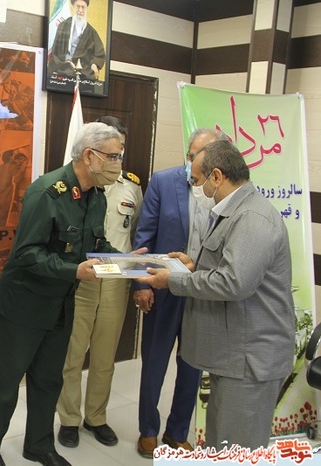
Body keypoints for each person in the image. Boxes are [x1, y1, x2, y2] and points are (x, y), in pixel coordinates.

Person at [0, 122, 130, 466]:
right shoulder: (47, 192)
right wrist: (73, 271)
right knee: (6, 377)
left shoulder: (96, 195)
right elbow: (26, 253)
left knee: (48, 379)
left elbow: (95, 244)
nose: (118, 164)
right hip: (26, 302)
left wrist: (131, 261)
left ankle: (39, 445)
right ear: (89, 156)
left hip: (61, 303)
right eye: (113, 156)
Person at [137, 139, 295, 450]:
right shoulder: (235, 211)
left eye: (197, 181)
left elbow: (233, 283)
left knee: (237, 449)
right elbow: (232, 267)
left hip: (250, 361)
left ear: (218, 176)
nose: (196, 188)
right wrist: (193, 266)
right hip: (233, 356)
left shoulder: (252, 218)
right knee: (221, 442)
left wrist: (174, 280)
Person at [131, 128, 227, 457]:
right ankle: (148, 430)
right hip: (164, 286)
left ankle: (177, 432)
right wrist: (141, 284)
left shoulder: (223, 191)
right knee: (154, 363)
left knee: (192, 366)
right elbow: (144, 236)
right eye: (190, 154)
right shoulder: (163, 181)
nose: (191, 161)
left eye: (198, 156)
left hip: (203, 290)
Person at [57, 116, 142, 448]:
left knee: (105, 357)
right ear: (92, 152)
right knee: (72, 354)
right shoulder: (76, 184)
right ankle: (69, 418)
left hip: (115, 280)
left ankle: (96, 417)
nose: (115, 157)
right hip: (82, 278)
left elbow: (134, 231)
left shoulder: (131, 186)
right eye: (110, 151)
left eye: (120, 150)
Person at [48, 0, 106, 80]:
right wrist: (67, 63)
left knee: (89, 75)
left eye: (83, 7)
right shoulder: (63, 26)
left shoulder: (91, 31)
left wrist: (95, 64)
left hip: (82, 71)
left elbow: (100, 54)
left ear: (86, 9)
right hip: (63, 67)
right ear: (73, 7)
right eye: (78, 6)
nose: (80, 10)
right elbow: (55, 51)